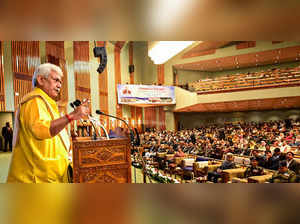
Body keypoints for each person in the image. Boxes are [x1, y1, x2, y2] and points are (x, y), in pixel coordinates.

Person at [7, 63, 89, 183]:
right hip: (37, 177)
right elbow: (41, 130)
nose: (59, 85)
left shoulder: (47, 103)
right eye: (56, 80)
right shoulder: (34, 101)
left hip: (51, 175)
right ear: (41, 80)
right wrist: (72, 116)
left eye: (60, 82)